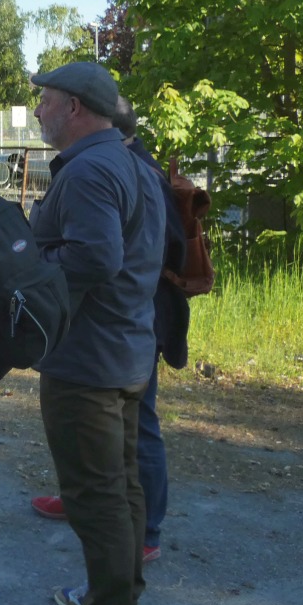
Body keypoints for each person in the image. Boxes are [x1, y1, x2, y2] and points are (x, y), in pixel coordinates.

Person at [25, 62, 164, 605]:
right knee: (123, 485)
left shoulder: (90, 170)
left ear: (76, 108)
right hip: (126, 351)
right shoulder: (131, 160)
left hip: (88, 361)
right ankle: (115, 593)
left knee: (95, 495)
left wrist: (29, 254)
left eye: (46, 102)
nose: (38, 112)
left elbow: (95, 258)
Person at [30, 97, 188, 564]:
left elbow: (140, 252)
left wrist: (37, 263)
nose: (39, 111)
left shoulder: (123, 171)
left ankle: (143, 540)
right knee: (108, 456)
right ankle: (116, 537)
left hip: (125, 329)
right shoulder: (115, 166)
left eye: (46, 103)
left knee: (131, 443)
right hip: (123, 327)